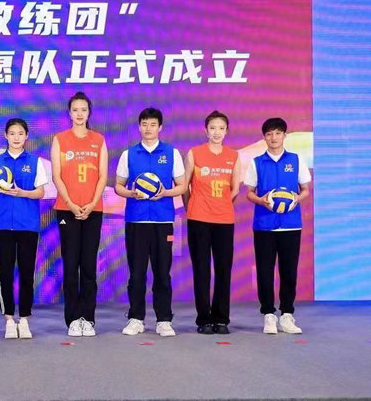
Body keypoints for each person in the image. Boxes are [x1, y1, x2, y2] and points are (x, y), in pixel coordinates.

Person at [115, 107, 187, 337]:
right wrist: (131, 193)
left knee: (162, 272)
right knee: (136, 273)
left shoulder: (172, 153)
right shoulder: (128, 154)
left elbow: (182, 186)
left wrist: (165, 192)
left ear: (160, 127)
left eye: (153, 124)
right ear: (139, 127)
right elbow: (118, 186)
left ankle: (164, 319)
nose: (148, 128)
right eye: (144, 124)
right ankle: (136, 318)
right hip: (136, 221)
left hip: (163, 220)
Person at [244, 117, 311, 335]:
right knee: (265, 272)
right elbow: (249, 193)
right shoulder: (256, 162)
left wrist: (296, 198)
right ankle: (268, 315)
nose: (274, 137)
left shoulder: (296, 160)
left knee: (288, 272)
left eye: (278, 133)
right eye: (269, 134)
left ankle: (287, 315)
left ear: (284, 135)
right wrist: (261, 200)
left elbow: (305, 190)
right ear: (264, 137)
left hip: (291, 225)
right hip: (264, 225)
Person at [51, 92, 108, 337]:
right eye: (75, 109)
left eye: (83, 109)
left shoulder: (99, 140)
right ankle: (73, 319)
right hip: (67, 209)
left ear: (89, 112)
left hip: (93, 210)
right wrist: (71, 204)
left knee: (88, 265)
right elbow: (56, 176)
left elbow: (103, 176)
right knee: (71, 263)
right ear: (69, 113)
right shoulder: (60, 140)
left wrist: (92, 203)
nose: (79, 114)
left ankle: (88, 318)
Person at [183, 110, 241, 335]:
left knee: (223, 269)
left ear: (227, 131)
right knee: (201, 269)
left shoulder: (233, 156)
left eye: (221, 128)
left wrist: (222, 204)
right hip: (198, 218)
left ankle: (221, 318)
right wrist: (192, 207)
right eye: (213, 128)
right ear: (206, 130)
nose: (217, 132)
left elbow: (235, 189)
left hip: (224, 219)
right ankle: (204, 319)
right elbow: (185, 186)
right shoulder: (195, 153)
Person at [0, 118, 48, 339]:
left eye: (20, 133)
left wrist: (22, 192)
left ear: (26, 136)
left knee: (26, 273)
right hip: (3, 224)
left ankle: (24, 319)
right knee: (5, 273)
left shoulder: (34, 161)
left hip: (28, 225)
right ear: (6, 136)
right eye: (12, 133)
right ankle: (8, 320)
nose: (16, 137)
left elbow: (40, 192)